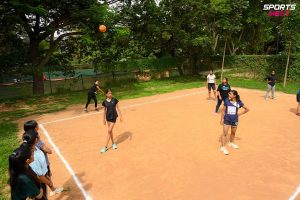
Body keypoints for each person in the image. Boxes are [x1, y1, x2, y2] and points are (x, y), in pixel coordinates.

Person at [23, 129, 63, 198]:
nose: (39, 135)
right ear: (36, 140)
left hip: (42, 178)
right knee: (41, 197)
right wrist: (49, 182)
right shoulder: (33, 157)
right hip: (39, 182)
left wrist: (45, 173)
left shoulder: (34, 148)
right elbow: (39, 176)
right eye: (38, 135)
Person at [220, 90, 250, 155]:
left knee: (233, 133)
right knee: (225, 133)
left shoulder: (238, 103)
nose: (229, 95)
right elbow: (223, 111)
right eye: (229, 94)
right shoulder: (226, 101)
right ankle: (222, 147)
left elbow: (247, 109)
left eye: (230, 94)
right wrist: (221, 119)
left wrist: (239, 114)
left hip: (235, 120)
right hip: (227, 119)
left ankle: (231, 143)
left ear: (234, 95)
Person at [100, 89, 123, 153]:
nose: (110, 94)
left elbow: (118, 108)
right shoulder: (104, 102)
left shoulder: (114, 100)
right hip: (108, 118)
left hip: (114, 117)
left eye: (111, 93)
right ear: (106, 94)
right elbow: (104, 111)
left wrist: (121, 116)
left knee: (109, 130)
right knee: (110, 131)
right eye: (109, 93)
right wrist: (103, 119)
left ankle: (105, 147)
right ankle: (113, 143)